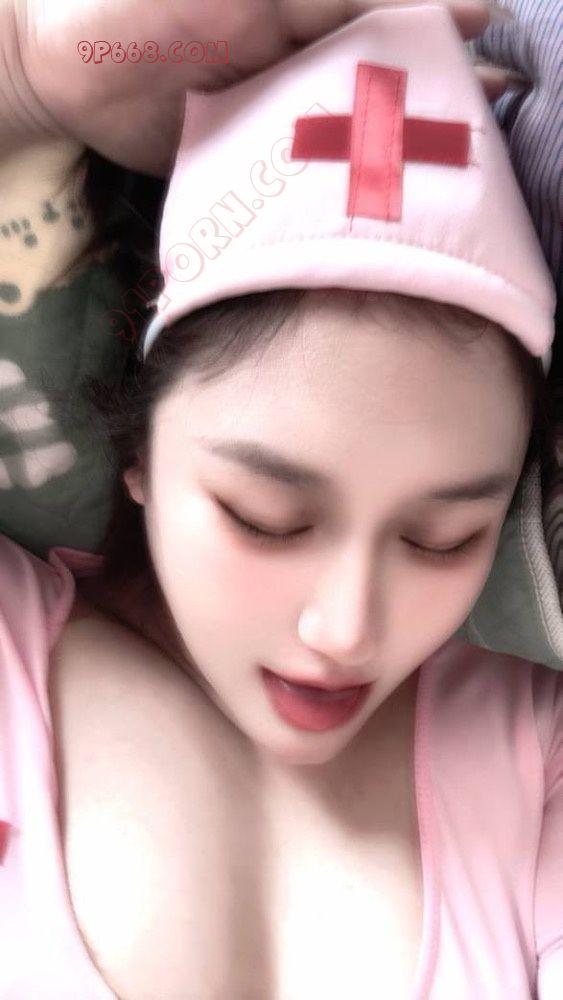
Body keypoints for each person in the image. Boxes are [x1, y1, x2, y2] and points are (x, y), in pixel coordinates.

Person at [0, 4, 561, 1000]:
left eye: (441, 538)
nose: (344, 631)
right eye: (266, 518)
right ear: (137, 449)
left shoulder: (537, 747)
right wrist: (22, 72)